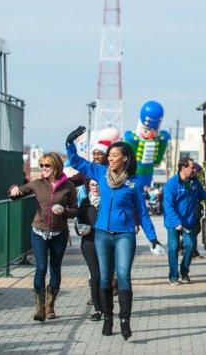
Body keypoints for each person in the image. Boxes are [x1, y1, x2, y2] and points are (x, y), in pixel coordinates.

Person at [66, 126, 161, 340]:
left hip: (124, 235)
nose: (110, 158)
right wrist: (70, 143)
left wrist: (153, 238)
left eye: (114, 155)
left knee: (124, 277)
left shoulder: (134, 183)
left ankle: (125, 320)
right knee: (105, 279)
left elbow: (143, 214)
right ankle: (108, 318)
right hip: (101, 234)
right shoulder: (100, 173)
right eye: (109, 155)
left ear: (125, 159)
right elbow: (77, 163)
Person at [8, 152, 77, 322]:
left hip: (59, 233)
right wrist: (13, 188)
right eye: (42, 165)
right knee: (41, 268)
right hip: (39, 231)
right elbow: (17, 193)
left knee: (55, 268)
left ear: (56, 166)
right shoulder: (37, 184)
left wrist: (65, 211)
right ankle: (39, 308)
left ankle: (50, 305)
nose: (44, 168)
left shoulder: (68, 186)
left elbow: (75, 210)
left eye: (47, 165)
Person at [163, 157, 206, 285]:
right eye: (192, 167)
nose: (194, 169)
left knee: (190, 246)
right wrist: (177, 223)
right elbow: (168, 206)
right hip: (173, 223)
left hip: (190, 221)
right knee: (173, 248)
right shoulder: (171, 184)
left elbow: (202, 195)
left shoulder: (194, 182)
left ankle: (184, 273)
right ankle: (173, 276)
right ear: (183, 168)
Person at [75, 179, 103, 321]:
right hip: (89, 244)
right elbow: (78, 221)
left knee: (105, 277)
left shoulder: (107, 200)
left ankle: (106, 307)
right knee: (95, 276)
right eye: (93, 185)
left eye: (98, 184)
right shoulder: (85, 202)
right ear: (88, 187)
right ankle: (98, 310)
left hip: (106, 244)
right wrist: (80, 229)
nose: (96, 187)